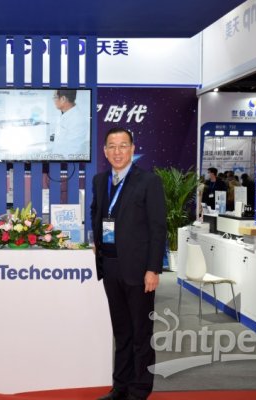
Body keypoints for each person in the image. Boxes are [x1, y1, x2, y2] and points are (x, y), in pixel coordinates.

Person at [91, 127, 166, 400]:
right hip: (110, 267)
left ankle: (139, 389)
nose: (117, 151)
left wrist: (153, 269)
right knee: (121, 332)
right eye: (112, 146)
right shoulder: (100, 180)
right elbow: (97, 212)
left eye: (123, 145)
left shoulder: (148, 181)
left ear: (132, 149)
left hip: (139, 270)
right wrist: (97, 241)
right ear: (105, 151)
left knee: (140, 333)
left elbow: (158, 228)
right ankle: (120, 386)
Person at [50, 89, 89, 160]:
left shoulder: (77, 120)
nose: (53, 100)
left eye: (55, 97)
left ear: (63, 99)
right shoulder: (65, 113)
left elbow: (72, 152)